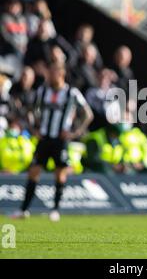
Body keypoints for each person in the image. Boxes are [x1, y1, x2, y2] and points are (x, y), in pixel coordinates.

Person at [12, 62, 93, 221]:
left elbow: (87, 114)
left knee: (60, 173)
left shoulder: (72, 93)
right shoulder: (42, 91)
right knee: (34, 171)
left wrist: (74, 132)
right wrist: (33, 128)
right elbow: (30, 110)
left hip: (60, 140)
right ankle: (23, 209)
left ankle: (55, 209)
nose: (50, 76)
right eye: (50, 72)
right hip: (44, 138)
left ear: (61, 74)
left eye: (53, 73)